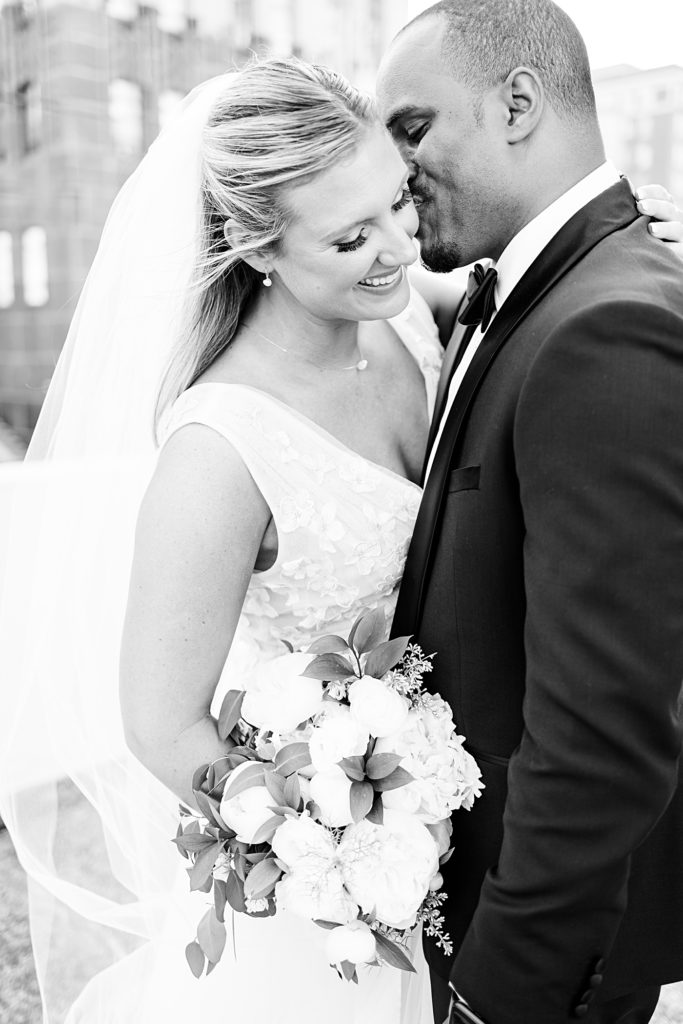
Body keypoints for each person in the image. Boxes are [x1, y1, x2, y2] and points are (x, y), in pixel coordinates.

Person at [0, 49, 680, 1024]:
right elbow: (160, 723)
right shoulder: (218, 450)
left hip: (502, 850)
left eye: (398, 205)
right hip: (342, 905)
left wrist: (635, 238)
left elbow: (558, 304)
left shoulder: (411, 316)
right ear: (260, 250)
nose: (399, 248)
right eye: (349, 237)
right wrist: (329, 832)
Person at [378, 3, 683, 1023]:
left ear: (516, 102)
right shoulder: (514, 294)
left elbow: (601, 734)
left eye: (410, 129)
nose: (391, 173)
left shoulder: (605, 326)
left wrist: (497, 994)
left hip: (543, 968)